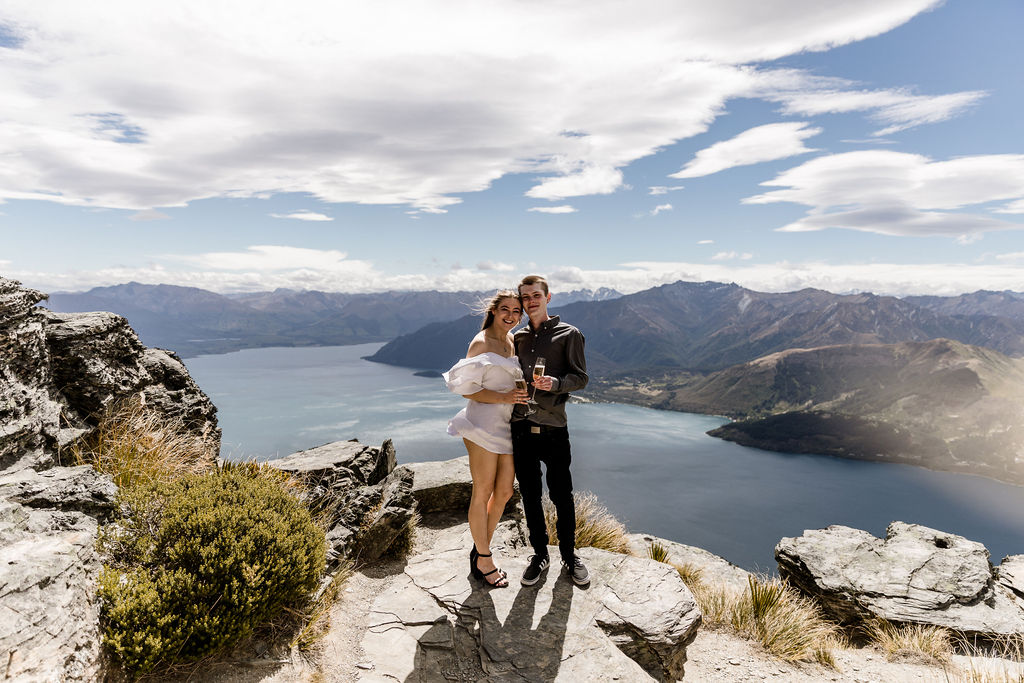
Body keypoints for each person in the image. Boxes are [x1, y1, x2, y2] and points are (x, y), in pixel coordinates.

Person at [443, 290, 529, 588]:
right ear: (493, 311)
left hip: (505, 425)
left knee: (504, 491)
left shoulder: (511, 340)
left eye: (517, 311)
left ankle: (480, 552)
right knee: (483, 491)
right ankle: (484, 556)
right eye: (505, 309)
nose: (511, 315)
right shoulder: (481, 342)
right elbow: (467, 390)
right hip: (481, 424)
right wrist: (505, 396)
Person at [511, 274, 590, 587]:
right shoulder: (517, 338)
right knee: (530, 494)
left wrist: (556, 384)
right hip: (520, 426)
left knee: (561, 495)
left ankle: (570, 557)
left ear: (548, 297)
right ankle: (540, 554)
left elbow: (581, 377)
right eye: (526, 297)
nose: (531, 302)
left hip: (554, 428)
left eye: (536, 296)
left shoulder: (569, 334)